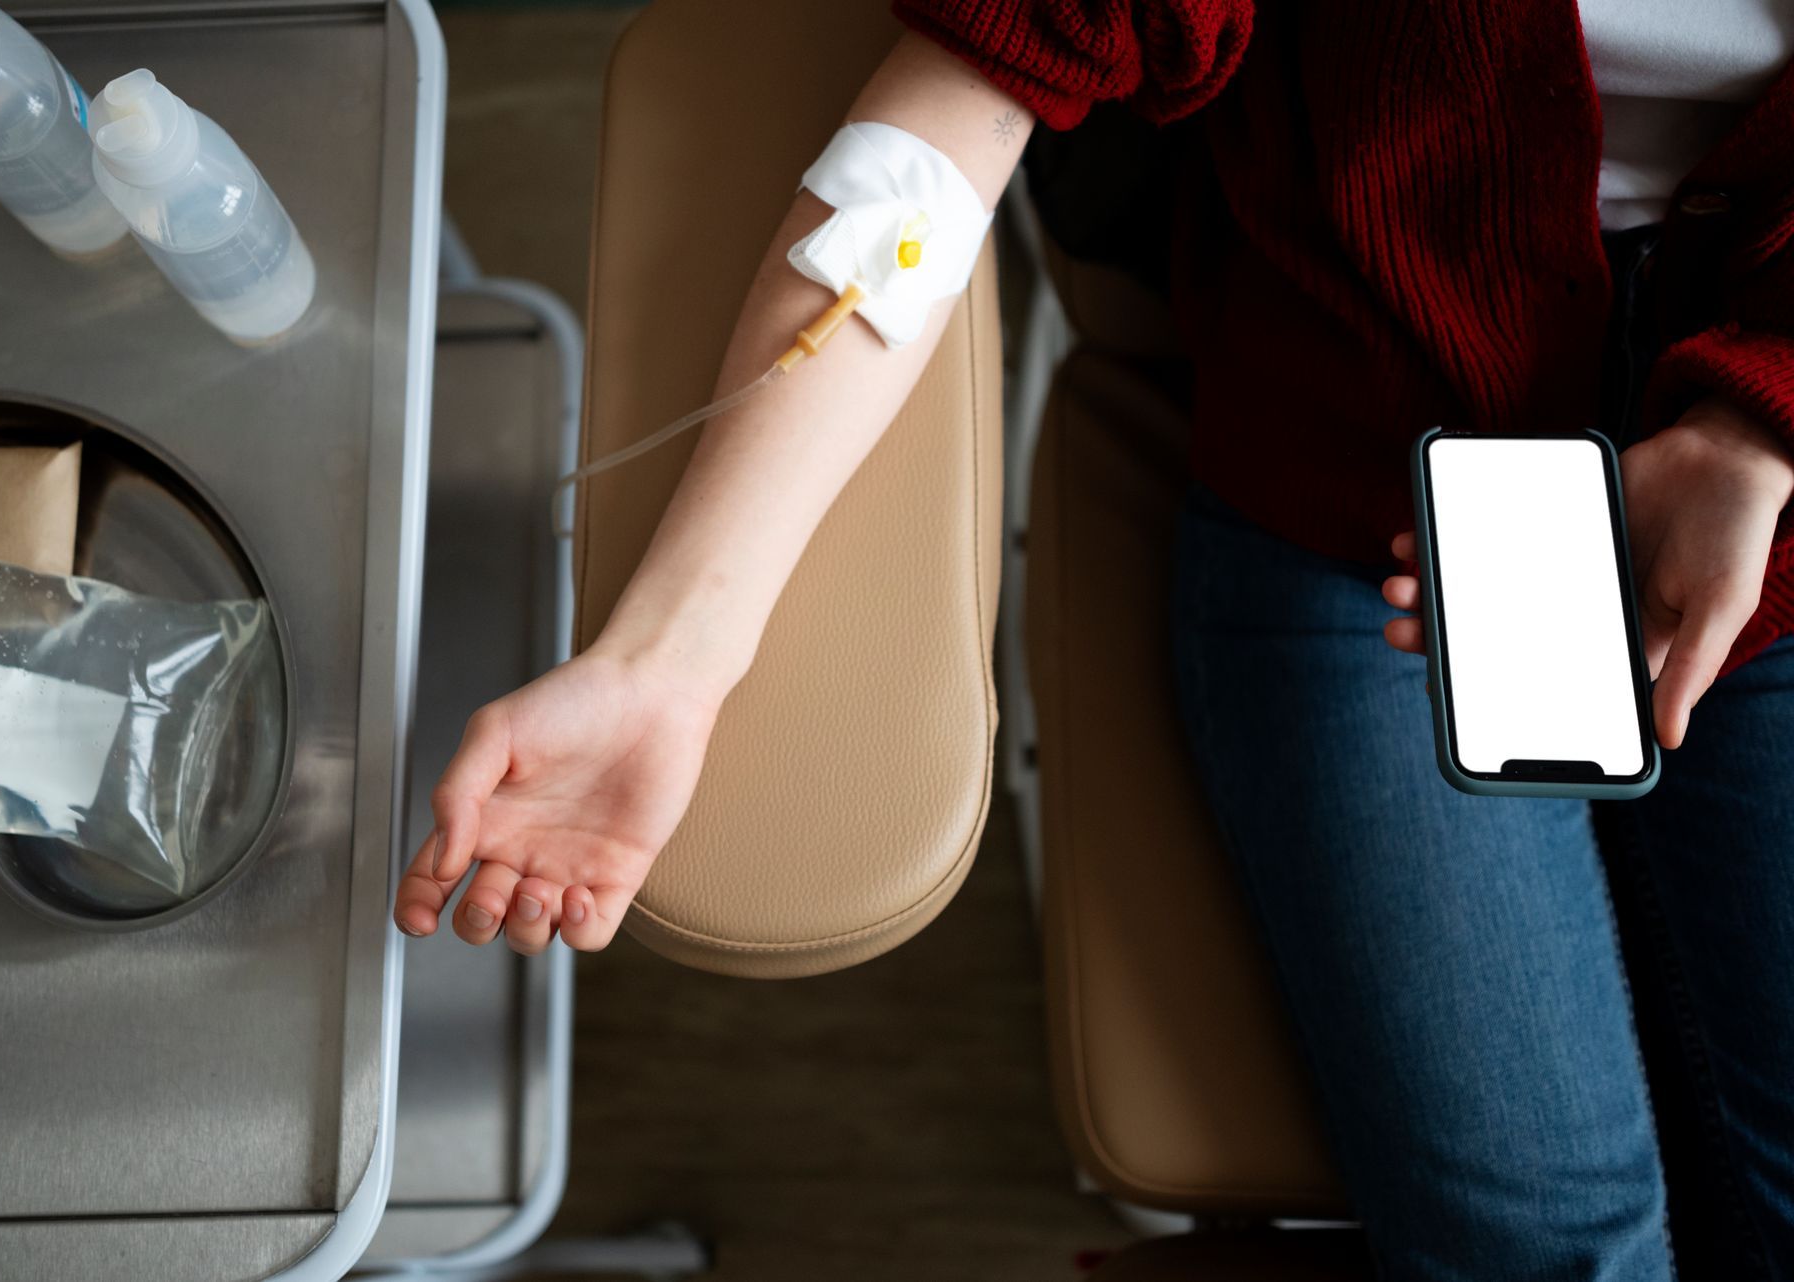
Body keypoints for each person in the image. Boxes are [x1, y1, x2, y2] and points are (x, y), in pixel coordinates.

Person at [395, 4, 1794, 1276]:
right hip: (1361, 488)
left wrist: (1756, 422)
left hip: (1765, 490)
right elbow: (936, 143)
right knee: (1547, 1251)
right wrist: (668, 657)